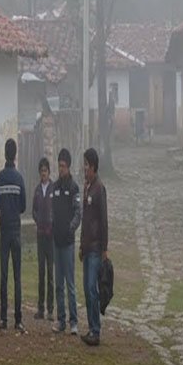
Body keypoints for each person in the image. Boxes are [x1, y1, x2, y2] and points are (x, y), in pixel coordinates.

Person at [0, 137, 26, 332]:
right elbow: (23, 207)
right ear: (15, 154)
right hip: (16, 230)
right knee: (17, 277)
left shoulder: (0, 177)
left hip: (4, 230)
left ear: (5, 154)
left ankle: (3, 319)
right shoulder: (19, 178)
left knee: (4, 275)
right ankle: (18, 320)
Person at [80, 147, 108, 346]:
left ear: (93, 167)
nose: (84, 169)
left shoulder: (99, 188)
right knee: (86, 288)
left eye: (86, 165)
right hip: (87, 247)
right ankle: (90, 327)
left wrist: (104, 248)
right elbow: (85, 220)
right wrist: (81, 246)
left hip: (97, 247)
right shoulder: (87, 187)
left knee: (92, 288)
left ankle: (96, 330)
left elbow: (103, 220)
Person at [51, 147, 81, 335]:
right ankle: (61, 320)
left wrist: (70, 229)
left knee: (70, 285)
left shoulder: (74, 188)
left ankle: (74, 322)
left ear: (68, 167)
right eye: (59, 165)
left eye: (63, 166)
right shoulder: (55, 187)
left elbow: (78, 213)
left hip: (68, 243)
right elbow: (52, 211)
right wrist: (53, 227)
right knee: (58, 285)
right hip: (56, 242)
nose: (60, 169)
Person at [31, 156, 54, 321]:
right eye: (41, 171)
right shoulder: (37, 190)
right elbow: (34, 210)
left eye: (45, 171)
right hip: (40, 235)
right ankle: (40, 308)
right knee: (41, 273)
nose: (43, 174)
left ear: (49, 172)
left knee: (50, 274)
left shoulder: (53, 189)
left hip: (51, 236)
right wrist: (38, 220)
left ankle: (50, 309)